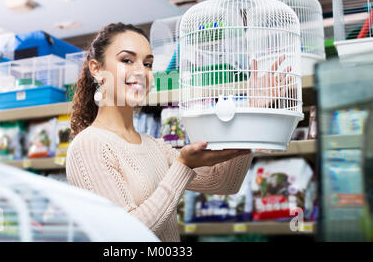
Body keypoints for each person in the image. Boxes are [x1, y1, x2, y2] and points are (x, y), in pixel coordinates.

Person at [66, 22, 286, 242]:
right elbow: (127, 235)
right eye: (127, 60)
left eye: (148, 64)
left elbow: (225, 182)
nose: (141, 71)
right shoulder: (89, 146)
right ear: (96, 69)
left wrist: (252, 113)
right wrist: (183, 165)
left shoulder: (153, 145)